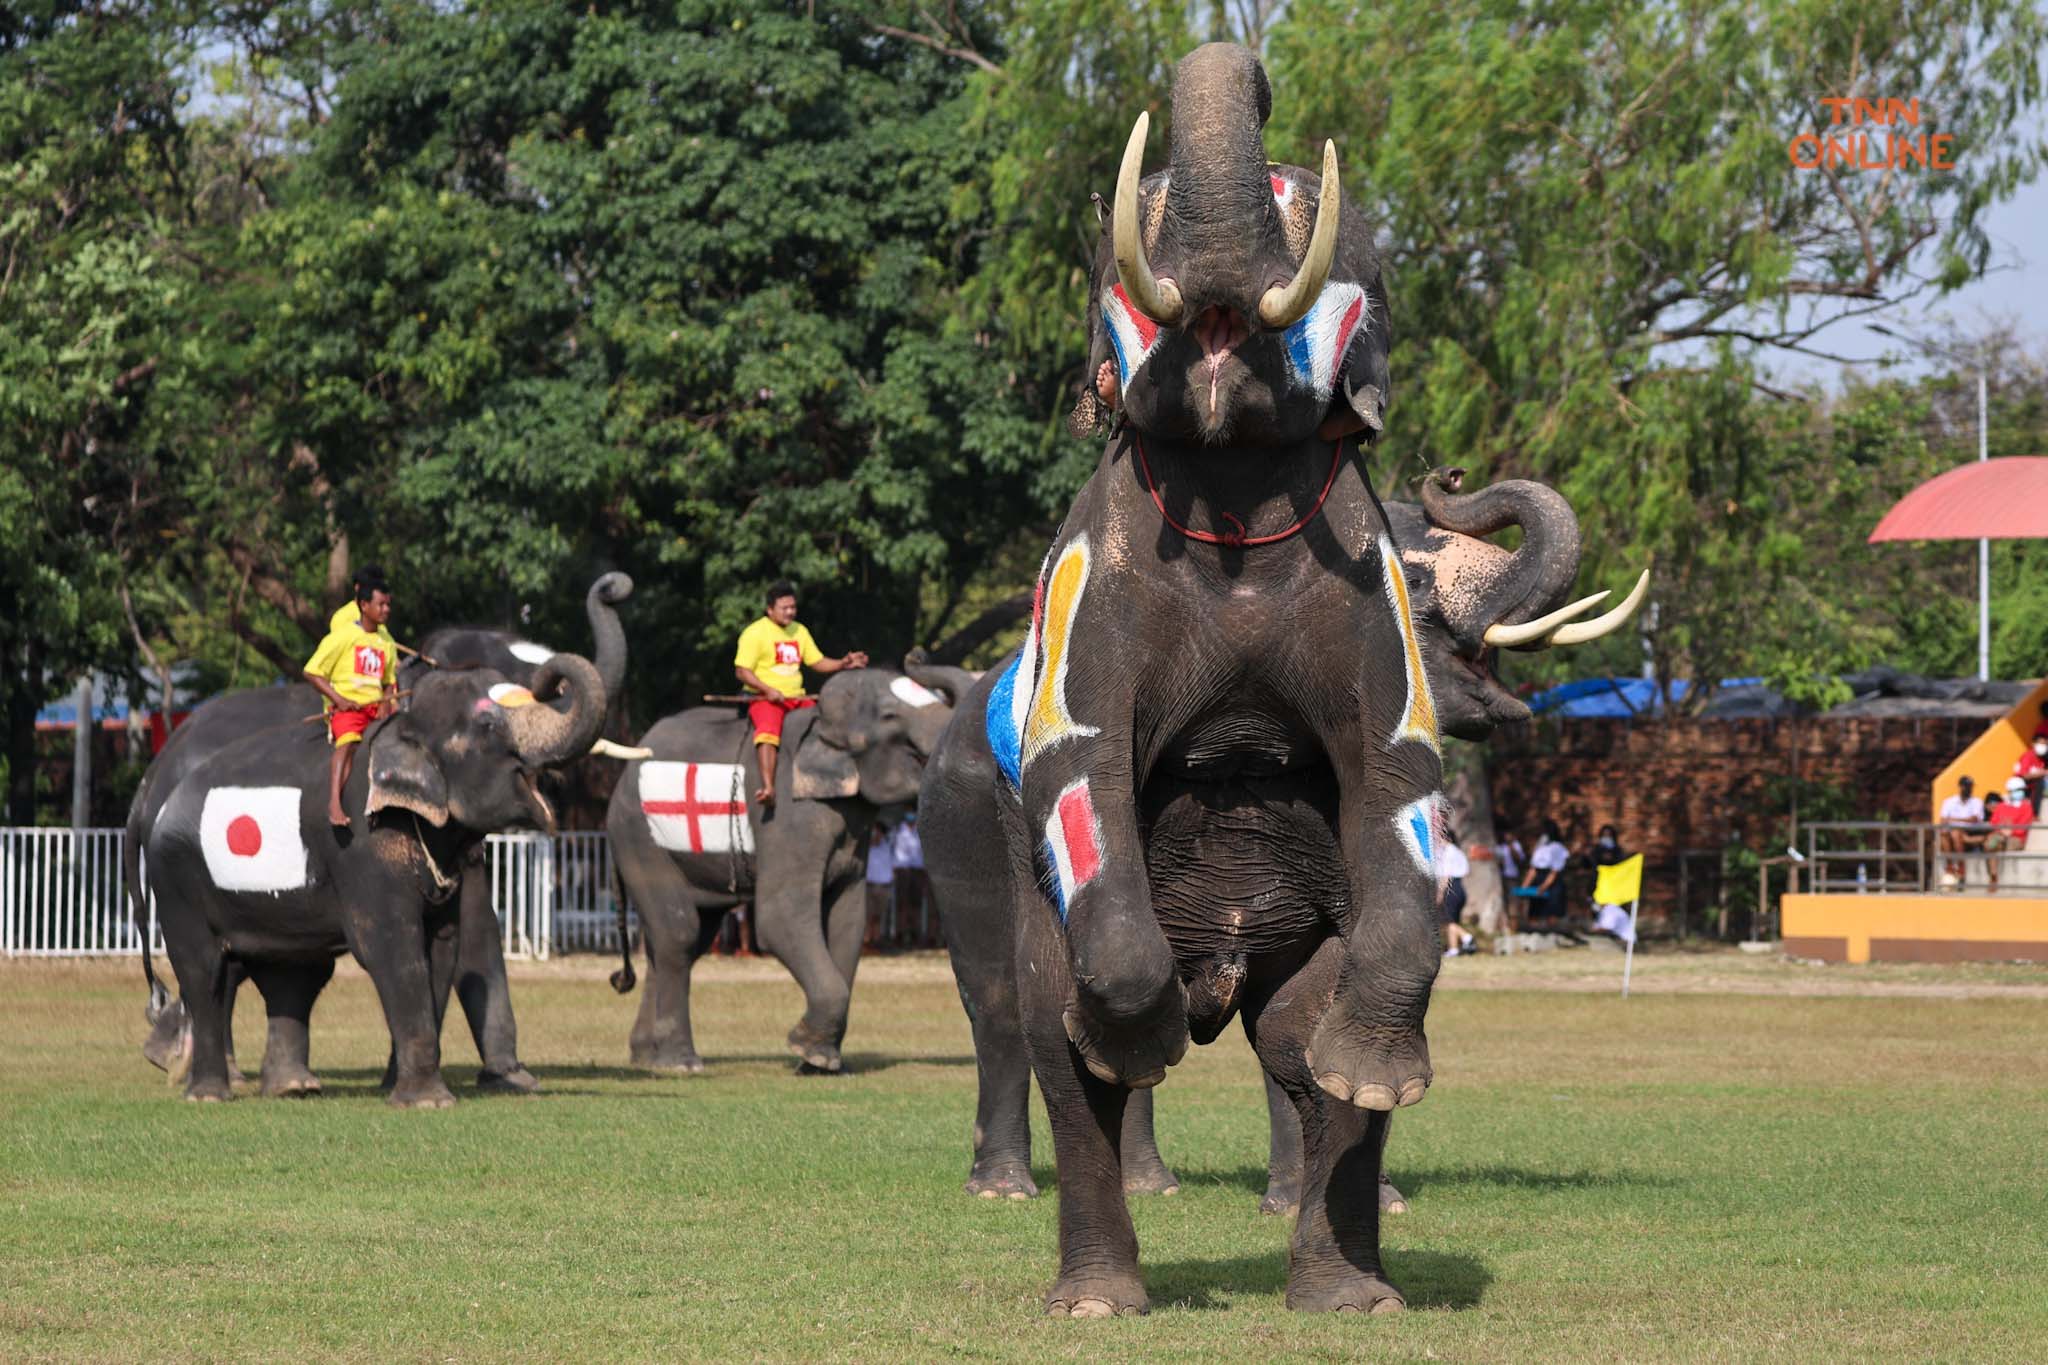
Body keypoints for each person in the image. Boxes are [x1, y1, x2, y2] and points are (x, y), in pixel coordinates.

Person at [733, 581, 868, 807]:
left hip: (797, 698)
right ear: (770, 609)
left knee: (827, 723)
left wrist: (843, 663)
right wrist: (768, 690)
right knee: (768, 731)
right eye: (784, 608)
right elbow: (742, 671)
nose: (790, 612)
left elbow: (817, 662)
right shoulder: (755, 633)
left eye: (793, 607)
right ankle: (768, 787)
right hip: (766, 699)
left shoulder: (799, 631)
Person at [303, 570, 398, 827]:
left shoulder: (385, 642)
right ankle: (334, 803)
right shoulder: (343, 636)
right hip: (348, 709)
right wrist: (339, 700)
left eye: (388, 604)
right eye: (381, 604)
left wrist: (386, 703)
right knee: (348, 744)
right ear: (364, 605)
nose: (386, 609)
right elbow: (312, 672)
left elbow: (389, 681)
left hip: (375, 710)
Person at [1937, 775, 1987, 890]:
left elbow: (1974, 819)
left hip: (1970, 832)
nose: (1969, 789)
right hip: (1952, 834)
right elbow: (1943, 820)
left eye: (1970, 787)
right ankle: (1951, 866)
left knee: (1955, 833)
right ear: (1960, 787)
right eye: (1966, 786)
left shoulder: (1977, 802)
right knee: (1945, 834)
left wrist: (1953, 820)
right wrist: (1960, 821)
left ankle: (1960, 867)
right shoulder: (1949, 801)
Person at [1985, 778, 2034, 891]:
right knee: (1991, 844)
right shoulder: (2001, 806)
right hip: (2000, 836)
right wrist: (2003, 832)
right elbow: (1993, 822)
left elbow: (2022, 828)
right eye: (2017, 790)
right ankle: (1993, 877)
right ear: (2010, 791)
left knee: (1999, 843)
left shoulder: (2026, 806)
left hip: (2017, 839)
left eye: (2021, 790)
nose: (2020, 792)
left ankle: (1994, 877)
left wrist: (2010, 832)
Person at [1521, 820, 1570, 927]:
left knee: (1552, 909)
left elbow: (1555, 870)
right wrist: (1525, 885)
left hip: (1552, 881)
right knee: (1534, 908)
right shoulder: (1540, 847)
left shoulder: (1557, 847)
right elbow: (1533, 869)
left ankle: (1552, 930)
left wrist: (1544, 886)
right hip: (1539, 877)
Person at [891, 813, 928, 947]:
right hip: (902, 871)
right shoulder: (897, 830)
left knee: (916, 905)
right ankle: (900, 934)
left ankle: (915, 934)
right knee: (902, 905)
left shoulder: (921, 830)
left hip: (917, 871)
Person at [1436, 829, 1474, 957]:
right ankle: (1454, 949)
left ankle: (1466, 937)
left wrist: (1440, 892)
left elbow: (1446, 875)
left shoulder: (1449, 852)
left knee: (1448, 920)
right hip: (1460, 887)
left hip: (1451, 888)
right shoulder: (1458, 852)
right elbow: (1467, 871)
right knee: (1451, 920)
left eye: (1440, 838)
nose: (1438, 841)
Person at [864, 823, 896, 950]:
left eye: (878, 832)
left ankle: (876, 942)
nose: (876, 835)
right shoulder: (866, 848)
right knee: (868, 916)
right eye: (874, 832)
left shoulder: (888, 846)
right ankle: (866, 943)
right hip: (869, 886)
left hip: (884, 887)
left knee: (878, 916)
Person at [2013, 737, 2047, 816]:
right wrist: (2043, 773)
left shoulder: (2042, 758)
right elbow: (2024, 775)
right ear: (2033, 744)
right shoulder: (2028, 756)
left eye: (2045, 744)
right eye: (2041, 743)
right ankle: (2034, 813)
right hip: (2023, 784)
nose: (2043, 746)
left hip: (2035, 783)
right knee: (2040, 782)